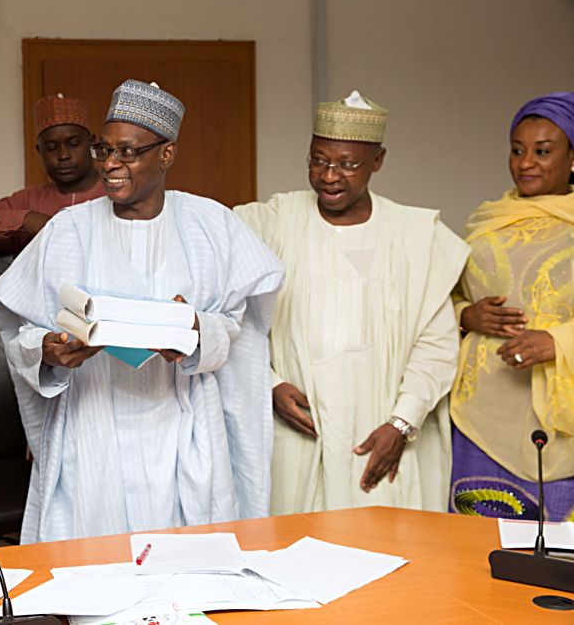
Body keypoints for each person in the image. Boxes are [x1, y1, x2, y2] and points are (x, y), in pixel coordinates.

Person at [0, 79, 285, 543]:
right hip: (94, 429)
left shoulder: (212, 225)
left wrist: (194, 330)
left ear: (165, 154)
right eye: (103, 150)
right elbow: (22, 328)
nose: (109, 165)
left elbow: (239, 329)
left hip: (185, 429)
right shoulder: (69, 230)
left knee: (186, 581)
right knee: (95, 580)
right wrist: (47, 351)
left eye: (127, 152)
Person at [234, 91, 469, 515]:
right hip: (300, 433)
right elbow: (230, 317)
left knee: (389, 558)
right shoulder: (272, 222)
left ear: (377, 161)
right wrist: (268, 384)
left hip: (383, 434)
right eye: (318, 160)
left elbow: (435, 344)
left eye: (347, 164)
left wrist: (402, 423)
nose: (329, 176)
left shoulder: (416, 235)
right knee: (296, 555)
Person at [450, 92, 574, 521]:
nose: (526, 163)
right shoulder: (486, 220)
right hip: (479, 412)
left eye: (543, 151)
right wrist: (466, 315)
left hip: (558, 422)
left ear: (572, 158)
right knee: (474, 559)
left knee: (555, 564)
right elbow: (443, 296)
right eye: (518, 150)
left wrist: (557, 341)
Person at [0, 94, 105, 254]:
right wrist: (25, 220)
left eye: (73, 144)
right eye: (52, 147)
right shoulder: (29, 200)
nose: (63, 155)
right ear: (39, 151)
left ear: (91, 143)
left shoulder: (116, 191)